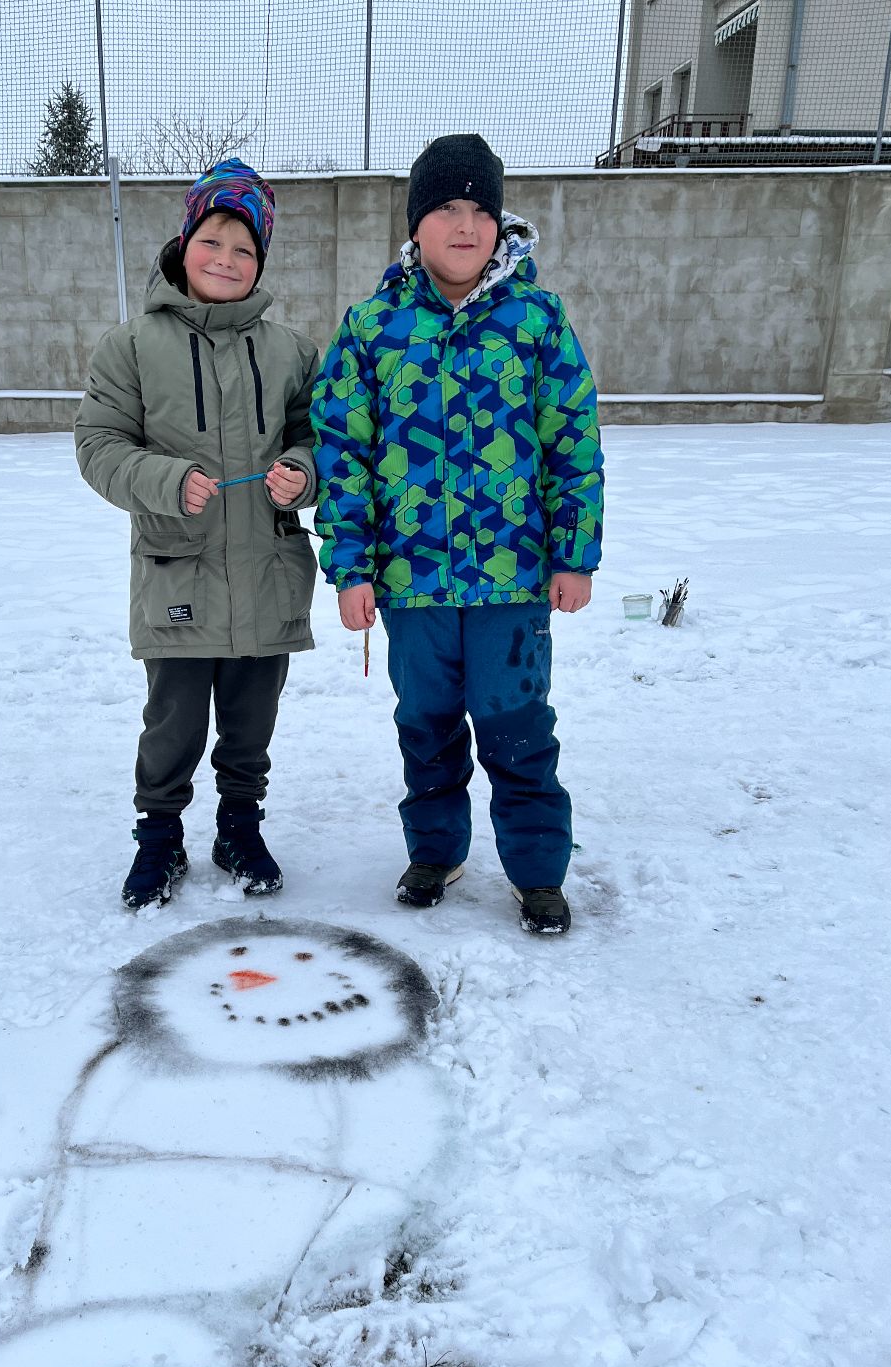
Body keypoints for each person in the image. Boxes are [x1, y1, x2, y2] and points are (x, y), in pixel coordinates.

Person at [311, 134, 603, 934]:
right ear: (416, 224)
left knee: (517, 728)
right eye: (446, 207)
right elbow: (343, 455)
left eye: (480, 208)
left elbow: (572, 441)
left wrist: (574, 554)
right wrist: (351, 567)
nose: (466, 224)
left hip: (514, 577)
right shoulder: (373, 327)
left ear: (500, 223)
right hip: (414, 582)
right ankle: (436, 852)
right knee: (427, 726)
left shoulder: (536, 320)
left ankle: (538, 872)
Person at [74, 159, 319, 910]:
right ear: (184, 245)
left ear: (261, 263)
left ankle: (239, 827)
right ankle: (160, 837)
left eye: (245, 249)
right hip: (177, 568)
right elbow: (99, 447)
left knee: (252, 720)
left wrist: (304, 473)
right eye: (212, 240)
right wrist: (165, 480)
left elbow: (323, 439)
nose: (226, 259)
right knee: (173, 720)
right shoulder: (130, 346)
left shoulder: (291, 351)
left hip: (267, 570)